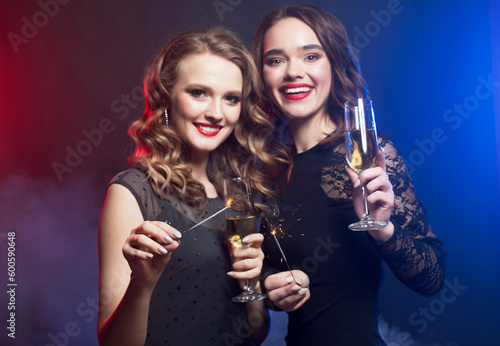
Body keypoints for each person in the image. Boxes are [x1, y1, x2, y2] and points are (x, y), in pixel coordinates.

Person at [252, 3, 447, 345]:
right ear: (262, 74)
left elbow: (432, 279)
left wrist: (383, 228)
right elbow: (270, 268)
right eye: (276, 60)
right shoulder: (267, 172)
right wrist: (269, 289)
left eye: (311, 56)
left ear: (334, 64)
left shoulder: (370, 156)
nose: (292, 72)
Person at [97, 27, 290, 345]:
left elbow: (256, 332)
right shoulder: (131, 192)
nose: (216, 113)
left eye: (231, 99)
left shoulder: (236, 197)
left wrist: (251, 284)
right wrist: (141, 284)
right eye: (199, 92)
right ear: (166, 98)